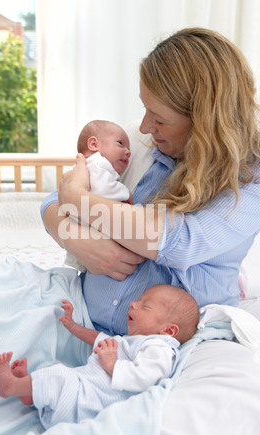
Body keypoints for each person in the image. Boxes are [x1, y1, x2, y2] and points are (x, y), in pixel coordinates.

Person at [41, 28, 260, 341]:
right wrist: (74, 239)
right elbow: (51, 203)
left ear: (204, 121)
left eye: (158, 118)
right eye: (145, 110)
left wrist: (76, 198)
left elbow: (179, 242)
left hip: (172, 347)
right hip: (83, 321)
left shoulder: (251, 178)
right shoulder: (141, 141)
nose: (144, 126)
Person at [0, 284, 199, 429]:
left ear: (168, 331)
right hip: (84, 391)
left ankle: (9, 387)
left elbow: (146, 377)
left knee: (58, 377)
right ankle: (30, 396)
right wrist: (72, 326)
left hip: (93, 402)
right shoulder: (133, 341)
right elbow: (98, 338)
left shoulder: (160, 348)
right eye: (137, 300)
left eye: (145, 306)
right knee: (58, 376)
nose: (133, 304)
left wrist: (112, 364)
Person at [64, 119, 132, 271]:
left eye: (128, 148)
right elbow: (103, 189)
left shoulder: (83, 167)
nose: (128, 151)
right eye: (120, 143)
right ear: (94, 144)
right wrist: (126, 193)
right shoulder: (97, 163)